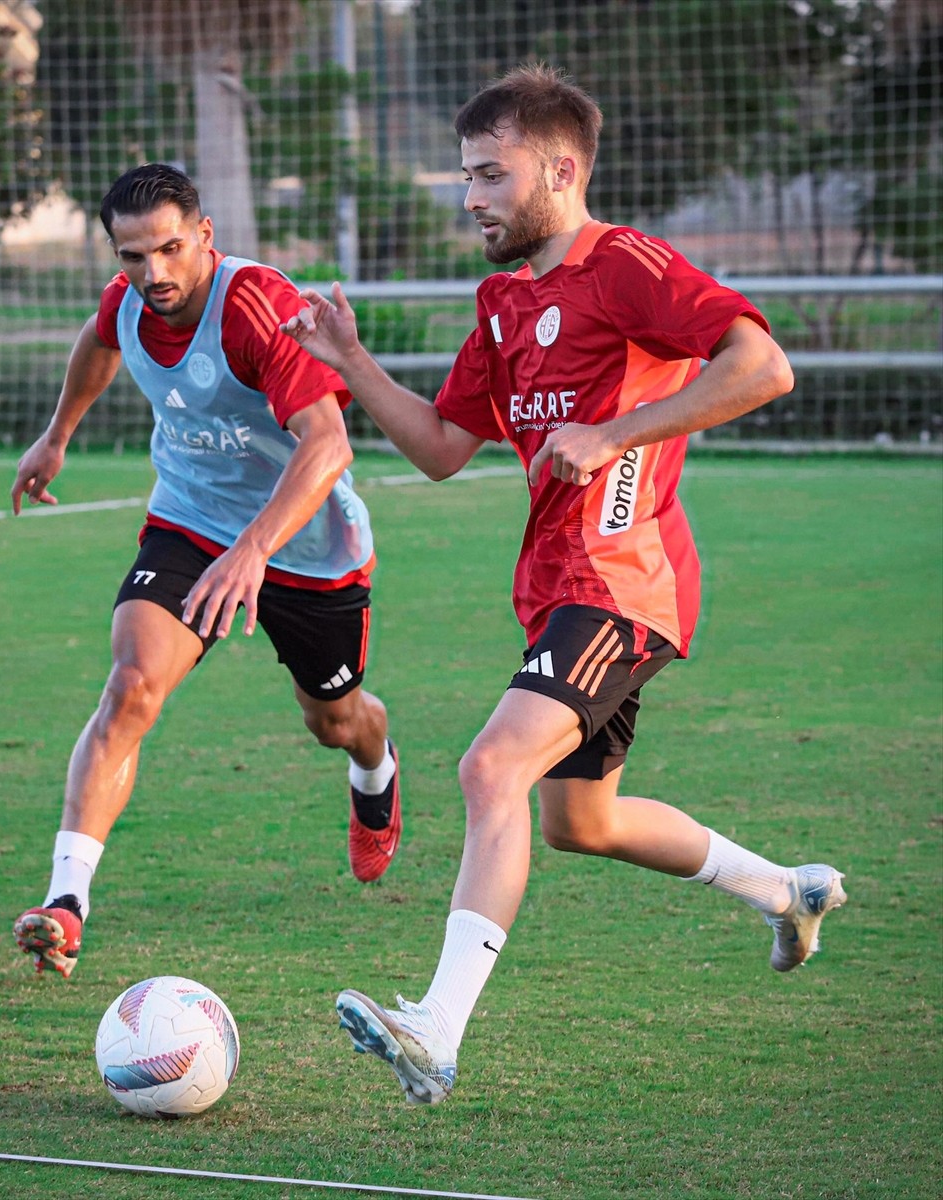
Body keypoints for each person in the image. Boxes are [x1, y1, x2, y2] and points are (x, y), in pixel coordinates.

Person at [280, 63, 846, 1105]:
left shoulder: (625, 265)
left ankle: (436, 1032)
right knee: (577, 821)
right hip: (558, 590)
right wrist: (353, 360)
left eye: (491, 175)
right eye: (466, 176)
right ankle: (787, 889)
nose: (472, 198)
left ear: (562, 169)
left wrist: (617, 431)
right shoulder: (504, 302)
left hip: (625, 581)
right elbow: (447, 446)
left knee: (490, 770)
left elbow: (763, 366)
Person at [10, 163, 402, 979]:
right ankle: (67, 902)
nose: (152, 273)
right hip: (189, 523)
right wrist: (57, 437)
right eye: (131, 256)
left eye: (169, 249)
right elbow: (98, 340)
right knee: (131, 686)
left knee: (334, 719)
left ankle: (376, 766)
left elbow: (329, 446)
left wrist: (253, 550)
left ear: (206, 238)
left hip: (305, 547)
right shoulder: (129, 300)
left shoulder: (258, 308)